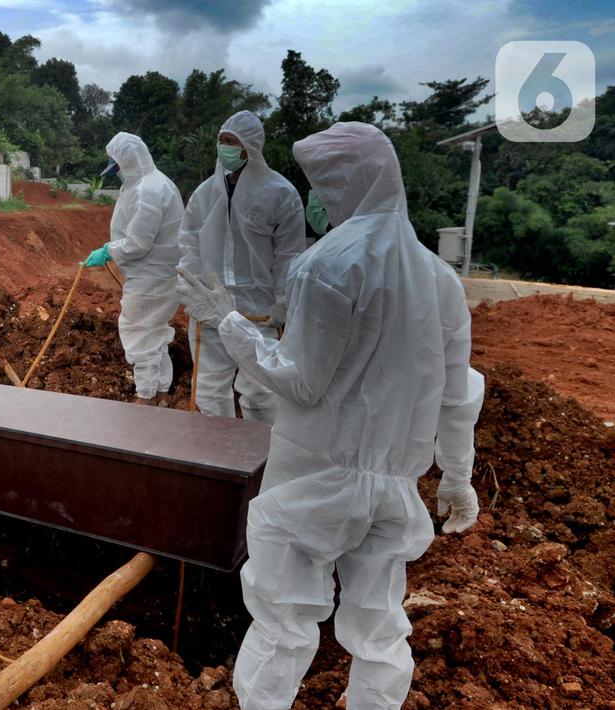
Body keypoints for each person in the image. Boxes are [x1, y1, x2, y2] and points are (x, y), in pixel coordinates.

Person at [177, 122, 484, 709]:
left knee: (284, 624)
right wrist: (458, 476)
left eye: (320, 182)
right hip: (395, 487)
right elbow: (456, 391)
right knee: (379, 626)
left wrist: (227, 321)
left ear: (345, 183)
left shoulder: (327, 264)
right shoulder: (440, 279)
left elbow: (301, 381)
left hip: (317, 477)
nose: (316, 196)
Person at [177, 110, 304, 423]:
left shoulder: (281, 194)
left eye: (232, 141)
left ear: (250, 147)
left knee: (261, 390)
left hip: (258, 313)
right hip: (211, 310)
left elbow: (288, 255)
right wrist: (193, 293)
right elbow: (189, 244)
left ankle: (258, 460)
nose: (225, 147)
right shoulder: (204, 194)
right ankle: (218, 459)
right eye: (222, 140)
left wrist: (282, 302)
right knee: (208, 389)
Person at [81, 132, 184, 406]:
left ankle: (145, 397)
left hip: (151, 277)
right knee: (155, 333)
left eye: (117, 166)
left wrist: (108, 251)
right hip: (158, 275)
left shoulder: (148, 190)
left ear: (127, 160)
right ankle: (160, 395)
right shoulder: (151, 183)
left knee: (138, 331)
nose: (117, 172)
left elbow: (139, 242)